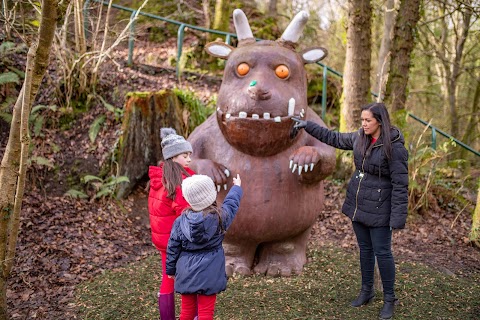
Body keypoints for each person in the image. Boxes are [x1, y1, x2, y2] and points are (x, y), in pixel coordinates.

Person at [292, 102, 408, 320]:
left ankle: (390, 298)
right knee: (365, 249)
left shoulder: (395, 148)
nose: (363, 124)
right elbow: (333, 138)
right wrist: (306, 125)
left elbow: (401, 185)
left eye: (368, 121)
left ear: (380, 122)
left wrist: (397, 218)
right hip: (359, 204)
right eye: (362, 120)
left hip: (380, 209)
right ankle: (367, 291)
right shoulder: (359, 138)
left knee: (382, 253)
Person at [166, 174, 243, 320]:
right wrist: (237, 187)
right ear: (211, 195)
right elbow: (231, 204)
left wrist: (170, 269)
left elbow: (173, 247)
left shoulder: (180, 222)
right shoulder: (221, 218)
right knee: (206, 314)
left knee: (186, 313)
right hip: (210, 272)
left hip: (186, 271)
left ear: (188, 198)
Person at [148, 127, 195, 320]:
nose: (189, 159)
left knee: (168, 278)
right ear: (174, 157)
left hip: (162, 240)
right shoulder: (179, 182)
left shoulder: (159, 179)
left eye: (190, 155)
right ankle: (190, 315)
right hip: (177, 241)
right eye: (185, 155)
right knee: (187, 278)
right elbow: (185, 212)